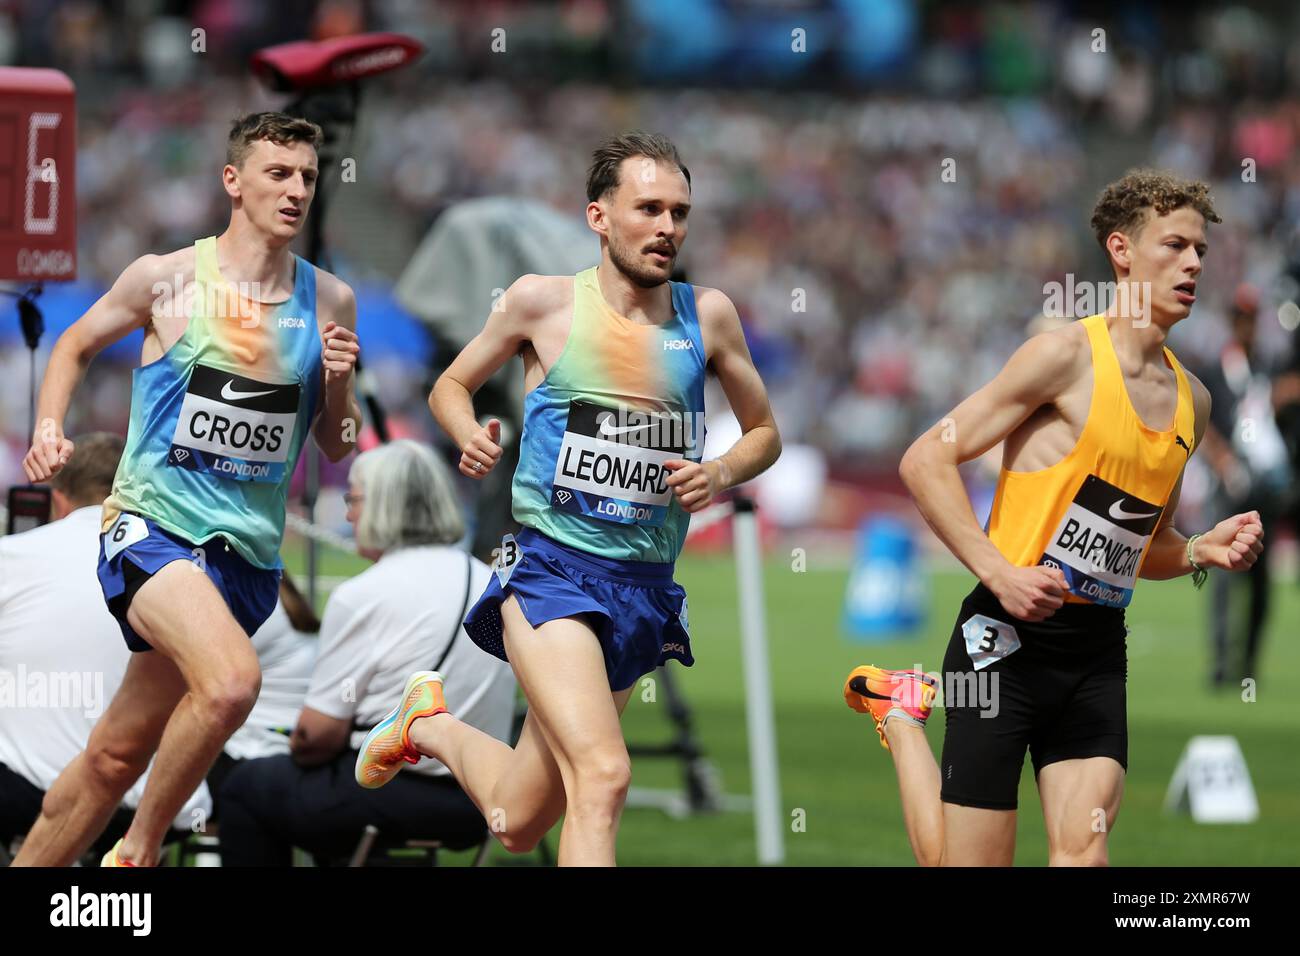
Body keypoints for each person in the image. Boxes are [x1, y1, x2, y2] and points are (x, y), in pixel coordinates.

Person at [355, 131, 781, 866]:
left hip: (642, 586)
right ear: (599, 217)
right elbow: (450, 384)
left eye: (679, 212)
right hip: (550, 571)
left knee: (517, 820)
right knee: (605, 775)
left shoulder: (706, 316)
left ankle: (424, 727)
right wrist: (468, 433)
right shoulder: (540, 303)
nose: (667, 227)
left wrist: (718, 473)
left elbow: (766, 432)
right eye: (648, 208)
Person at [845, 169, 1264, 866]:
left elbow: (1146, 546)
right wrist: (999, 573)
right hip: (998, 644)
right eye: (1174, 246)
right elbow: (925, 460)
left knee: (1084, 855)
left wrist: (1197, 552)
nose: (1193, 263)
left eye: (1200, 250)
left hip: (1095, 654)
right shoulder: (1063, 358)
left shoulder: (1194, 400)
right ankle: (899, 712)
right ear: (1122, 251)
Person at [14, 111, 362, 867]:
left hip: (246, 560)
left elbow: (337, 443)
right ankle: (138, 849)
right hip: (152, 527)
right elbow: (73, 343)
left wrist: (338, 387)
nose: (297, 189)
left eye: (307, 175)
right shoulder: (167, 277)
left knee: (113, 755)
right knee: (234, 683)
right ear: (233, 181)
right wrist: (49, 427)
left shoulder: (329, 300)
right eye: (279, 173)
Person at [217, 440, 515, 865]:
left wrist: (294, 741)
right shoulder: (491, 581)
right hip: (476, 800)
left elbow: (317, 737)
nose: (348, 513)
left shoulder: (364, 593)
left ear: (383, 506)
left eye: (352, 499)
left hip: (386, 790)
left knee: (248, 785)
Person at [0, 433, 208, 858]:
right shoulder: (188, 571)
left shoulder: (12, 556)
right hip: (159, 801)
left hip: (29, 793)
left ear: (59, 500)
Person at [1193, 285, 1291, 686]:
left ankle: (1248, 666)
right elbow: (1203, 425)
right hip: (1228, 484)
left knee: (1260, 577)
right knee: (1222, 573)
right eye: (1242, 318)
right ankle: (1220, 663)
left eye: (1252, 318)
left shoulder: (1269, 368)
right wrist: (1224, 463)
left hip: (1264, 488)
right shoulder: (1217, 371)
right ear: (1234, 322)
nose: (1248, 326)